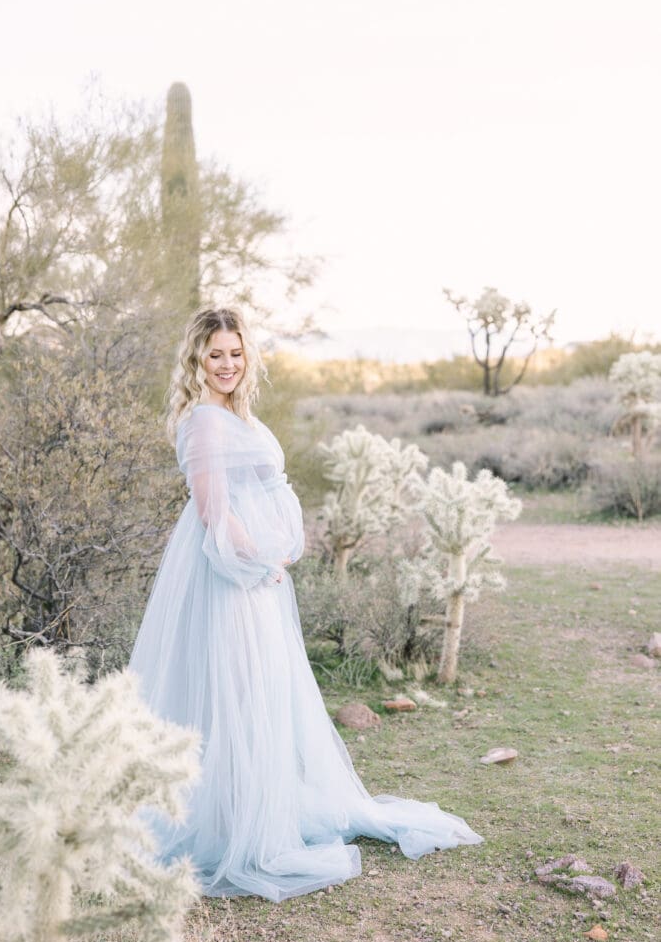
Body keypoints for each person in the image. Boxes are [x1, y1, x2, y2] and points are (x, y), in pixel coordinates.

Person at [129, 305, 482, 903]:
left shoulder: (234, 415)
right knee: (232, 691)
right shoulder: (205, 422)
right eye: (215, 354)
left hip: (255, 574)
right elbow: (214, 512)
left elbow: (261, 491)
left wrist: (276, 551)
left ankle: (250, 808)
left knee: (256, 692)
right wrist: (260, 560)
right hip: (227, 577)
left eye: (236, 353)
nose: (227, 364)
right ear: (196, 358)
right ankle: (231, 825)